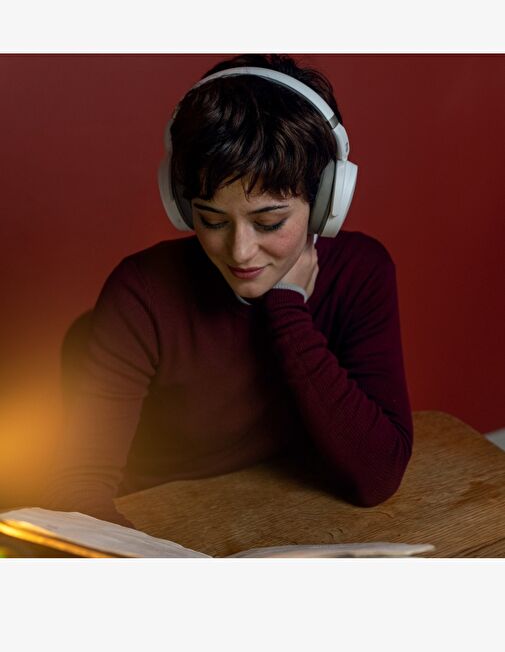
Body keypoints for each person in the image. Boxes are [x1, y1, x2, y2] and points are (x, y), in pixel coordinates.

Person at [43, 54, 413, 527]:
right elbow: (77, 490)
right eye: (212, 220)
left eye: (269, 222)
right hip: (163, 522)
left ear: (325, 202)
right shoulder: (142, 294)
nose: (240, 252)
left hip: (295, 516)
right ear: (181, 207)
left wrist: (288, 311)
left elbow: (378, 476)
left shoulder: (361, 273)